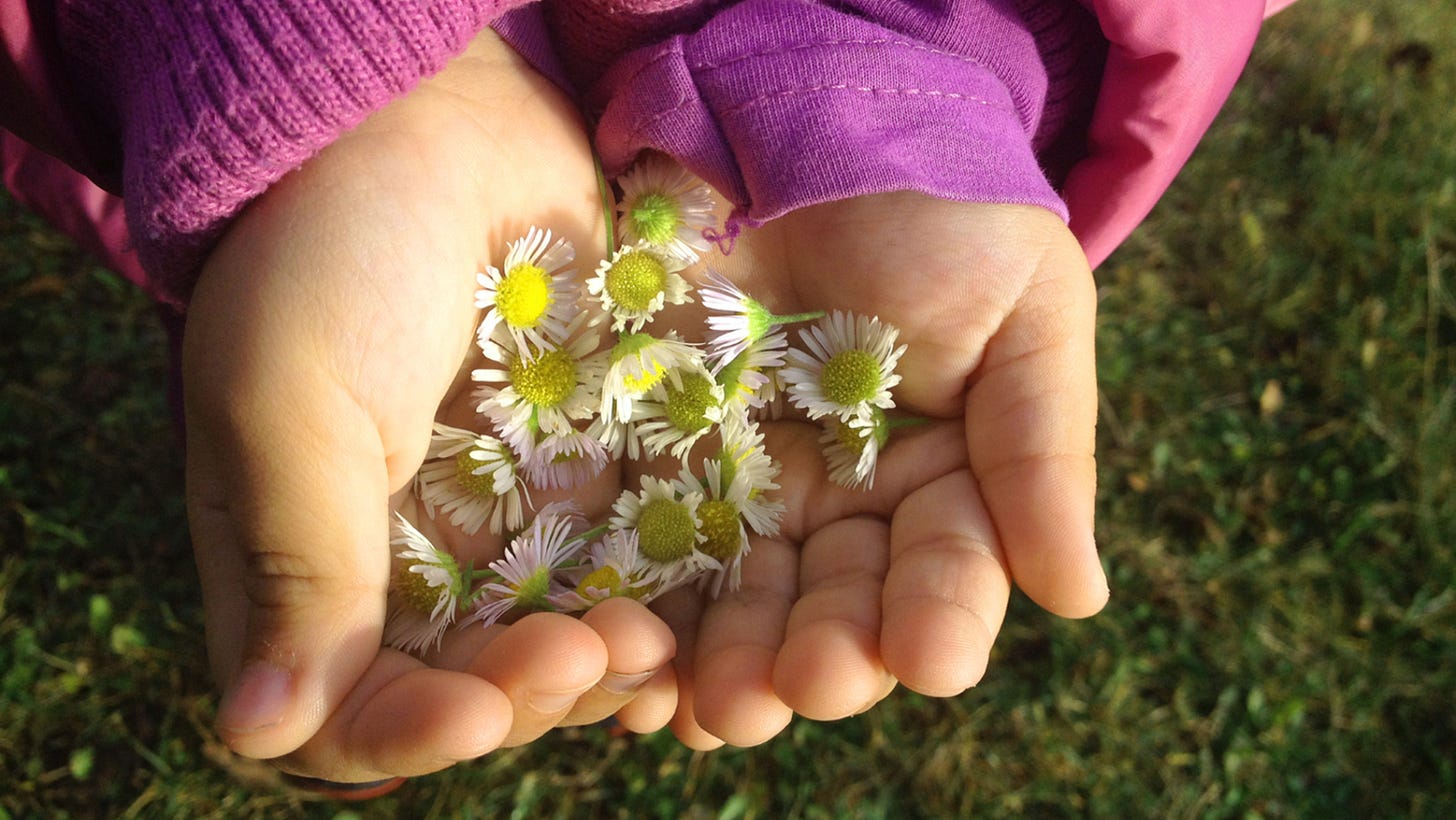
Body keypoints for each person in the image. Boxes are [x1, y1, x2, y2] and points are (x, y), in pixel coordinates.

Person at [1, 0, 1297, 794]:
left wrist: (923, 72)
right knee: (302, 396)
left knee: (325, 431)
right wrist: (326, 69)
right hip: (231, 87)